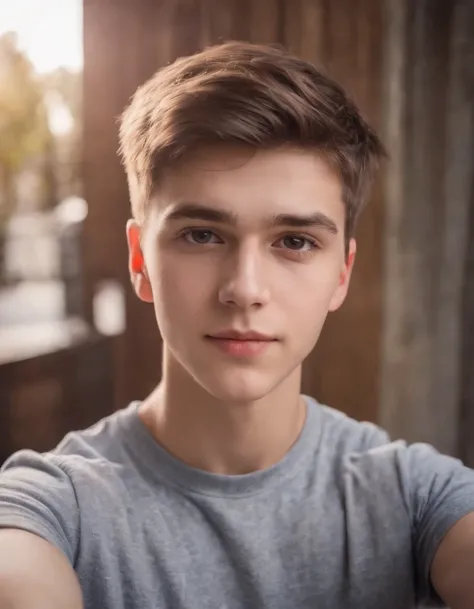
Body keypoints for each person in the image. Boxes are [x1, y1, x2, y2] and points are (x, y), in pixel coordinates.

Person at [0, 41, 473, 609]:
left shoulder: (420, 496)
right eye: (202, 234)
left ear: (341, 275)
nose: (245, 289)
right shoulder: (50, 508)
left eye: (295, 242)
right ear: (139, 262)